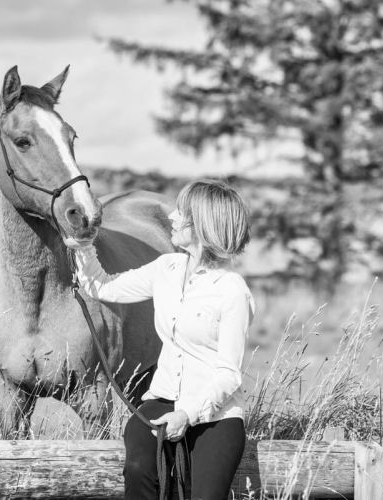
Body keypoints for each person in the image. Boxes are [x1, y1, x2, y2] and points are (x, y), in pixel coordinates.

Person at [69, 179, 255, 500]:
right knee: (139, 468)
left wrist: (188, 415)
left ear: (203, 225)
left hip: (216, 415)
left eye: (181, 213)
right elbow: (104, 286)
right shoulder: (166, 267)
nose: (171, 217)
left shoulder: (232, 290)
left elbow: (229, 375)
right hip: (161, 400)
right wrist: (84, 247)